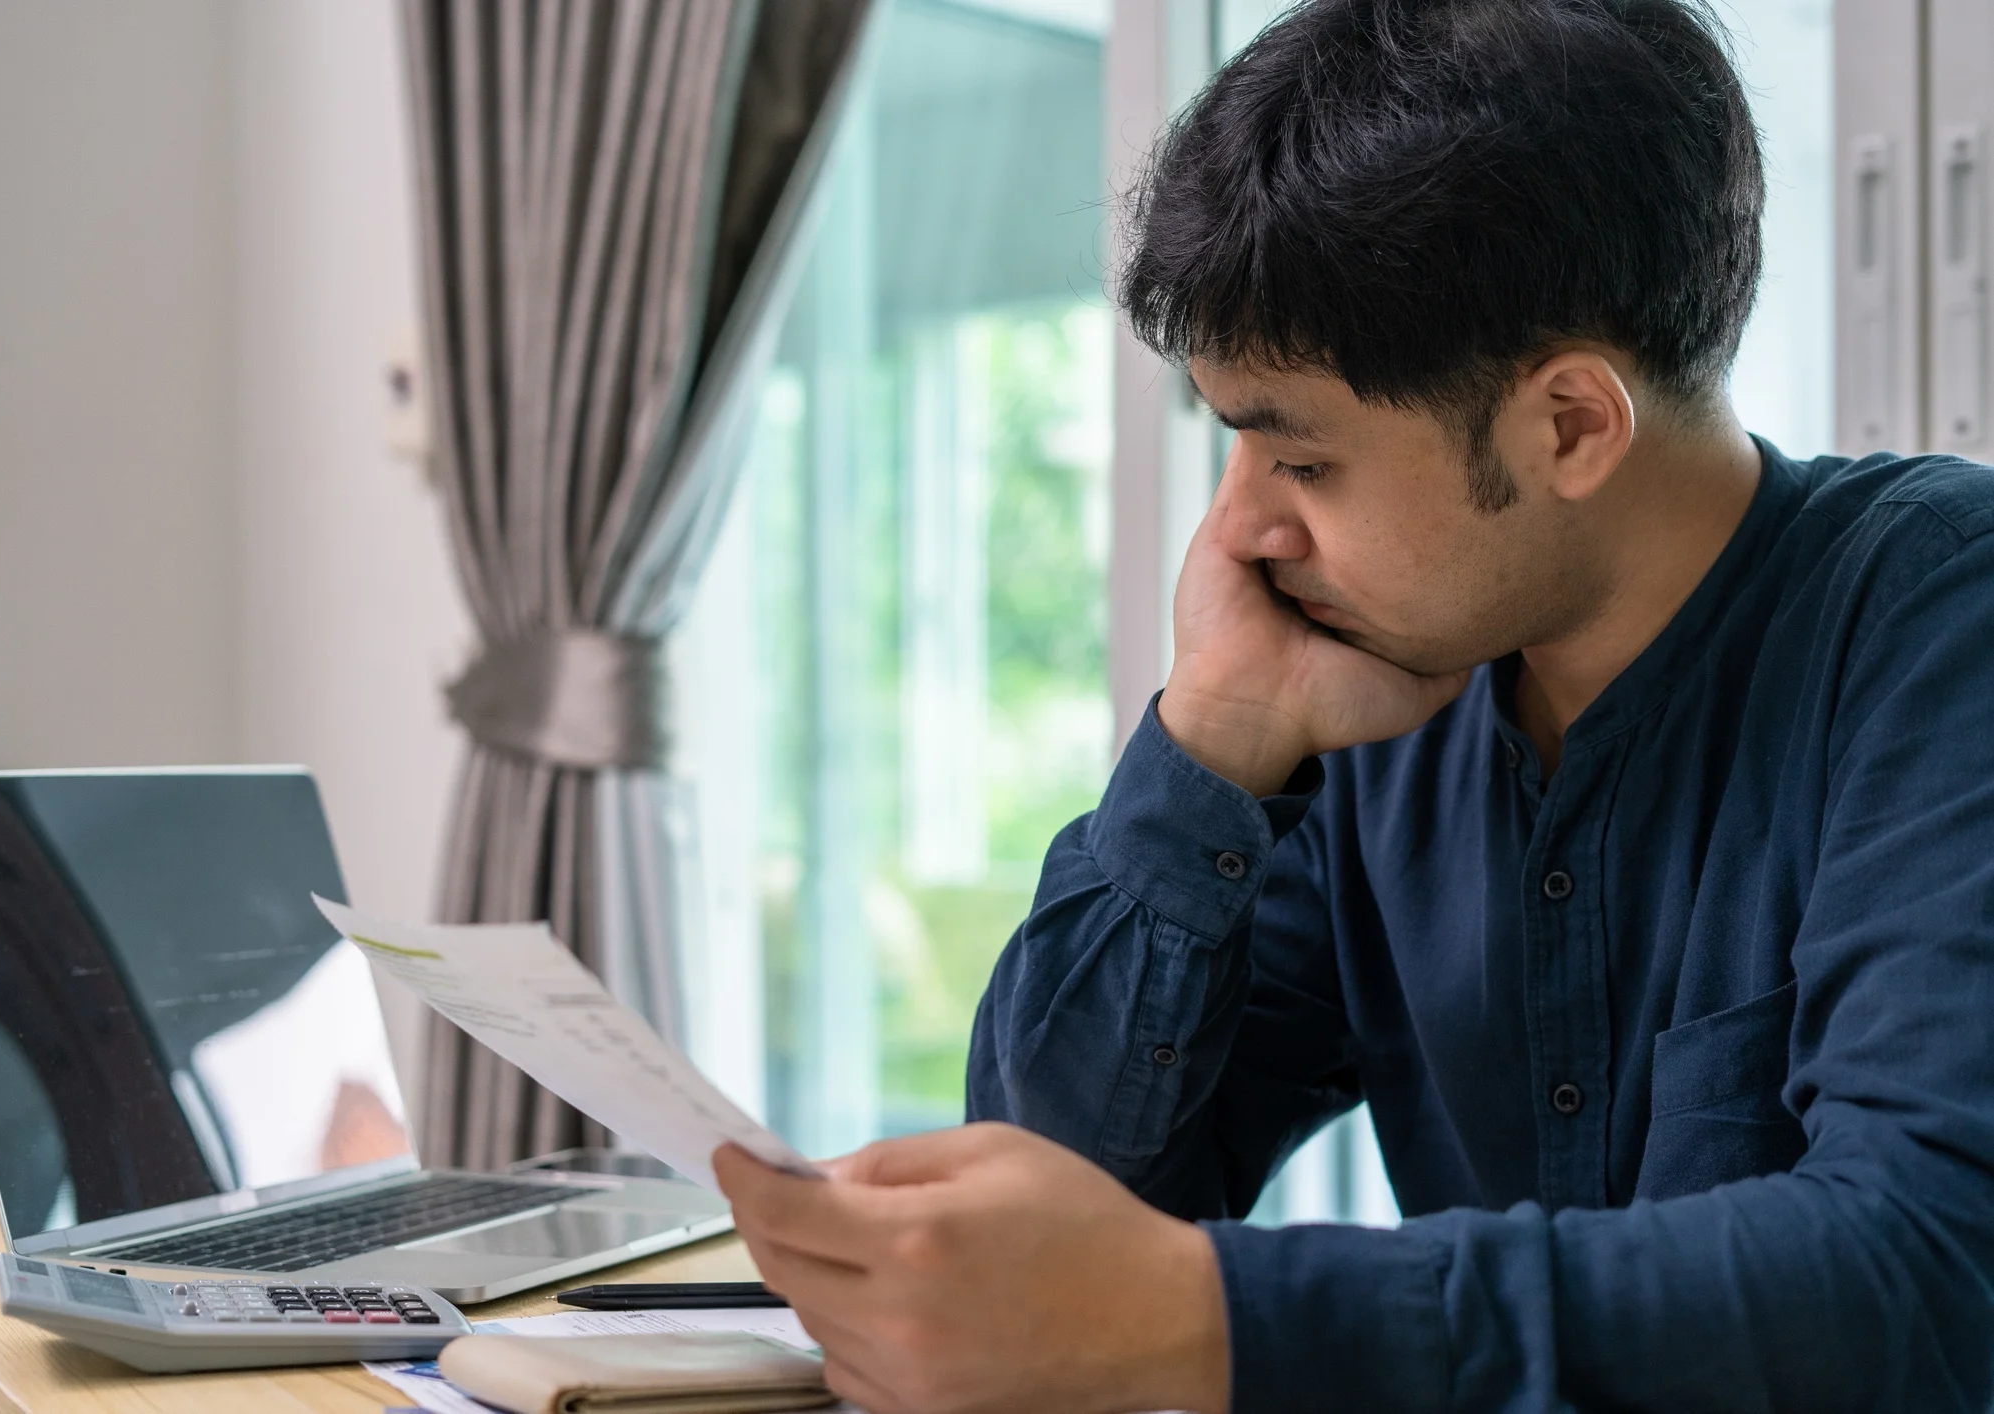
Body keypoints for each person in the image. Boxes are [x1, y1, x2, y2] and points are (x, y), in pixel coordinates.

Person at [714, 0, 1994, 1407]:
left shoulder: (1939, 614)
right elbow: (1060, 1198)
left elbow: (1925, 1271)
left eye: (1301, 462)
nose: (1241, 530)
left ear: (1570, 423)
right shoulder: (1386, 686)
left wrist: (1208, 1316)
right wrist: (1210, 737)